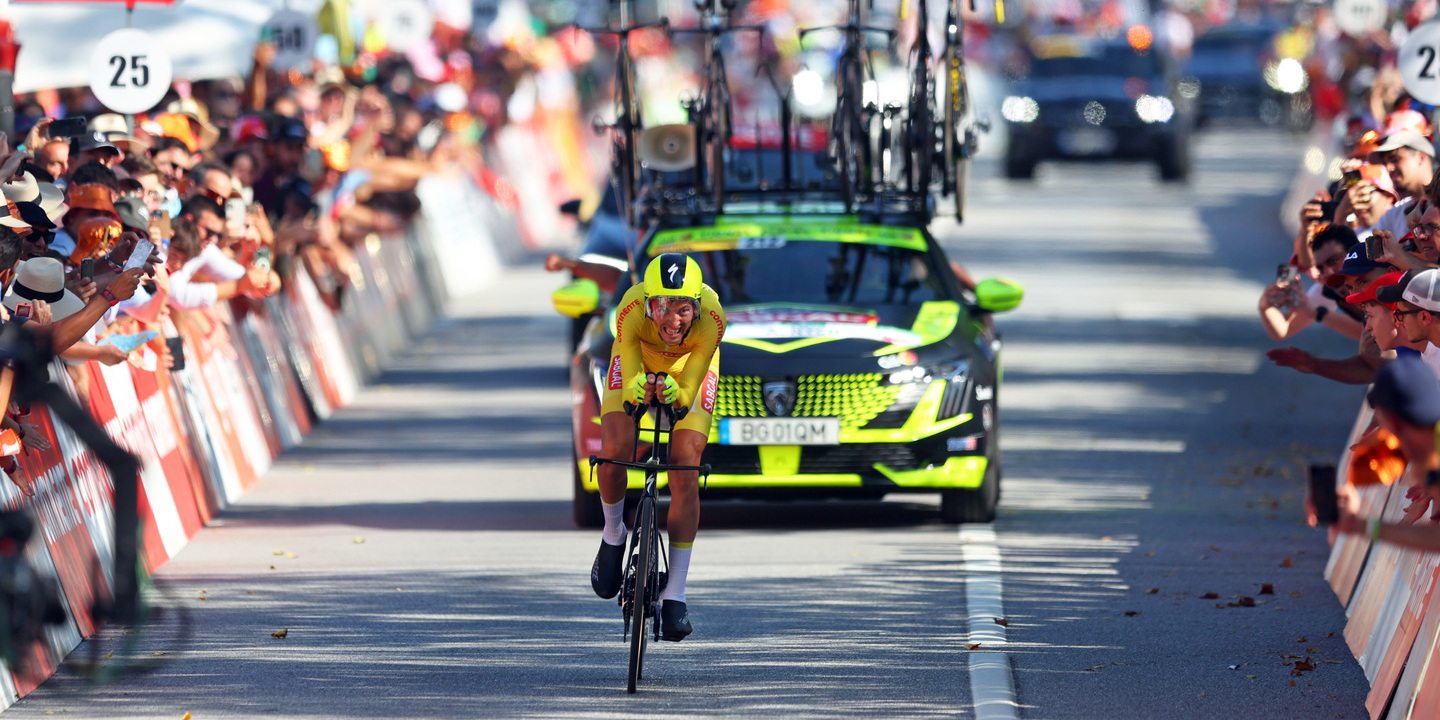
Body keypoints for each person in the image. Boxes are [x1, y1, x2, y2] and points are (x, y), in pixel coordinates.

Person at [591, 253, 725, 642]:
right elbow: (630, 369)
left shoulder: (713, 319)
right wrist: (636, 388)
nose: (671, 319)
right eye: (661, 306)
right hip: (638, 359)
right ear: (647, 302)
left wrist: (679, 393)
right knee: (615, 447)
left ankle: (676, 595)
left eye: (683, 308)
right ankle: (613, 534)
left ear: (697, 306)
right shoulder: (630, 308)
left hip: (690, 368)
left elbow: (691, 382)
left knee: (685, 465)